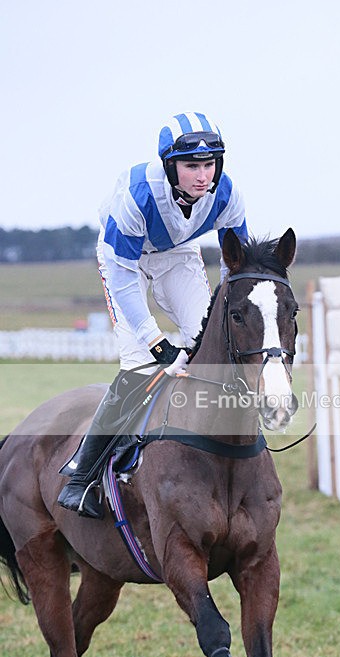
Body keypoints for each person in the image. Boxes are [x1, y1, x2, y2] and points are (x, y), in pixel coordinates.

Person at [58, 111, 248, 518]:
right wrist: (154, 340)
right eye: (191, 166)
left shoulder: (228, 193)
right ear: (169, 166)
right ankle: (81, 475)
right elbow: (124, 277)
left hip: (178, 255)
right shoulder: (138, 196)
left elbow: (236, 266)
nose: (203, 176)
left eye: (209, 164)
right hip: (125, 259)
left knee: (209, 341)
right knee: (140, 365)